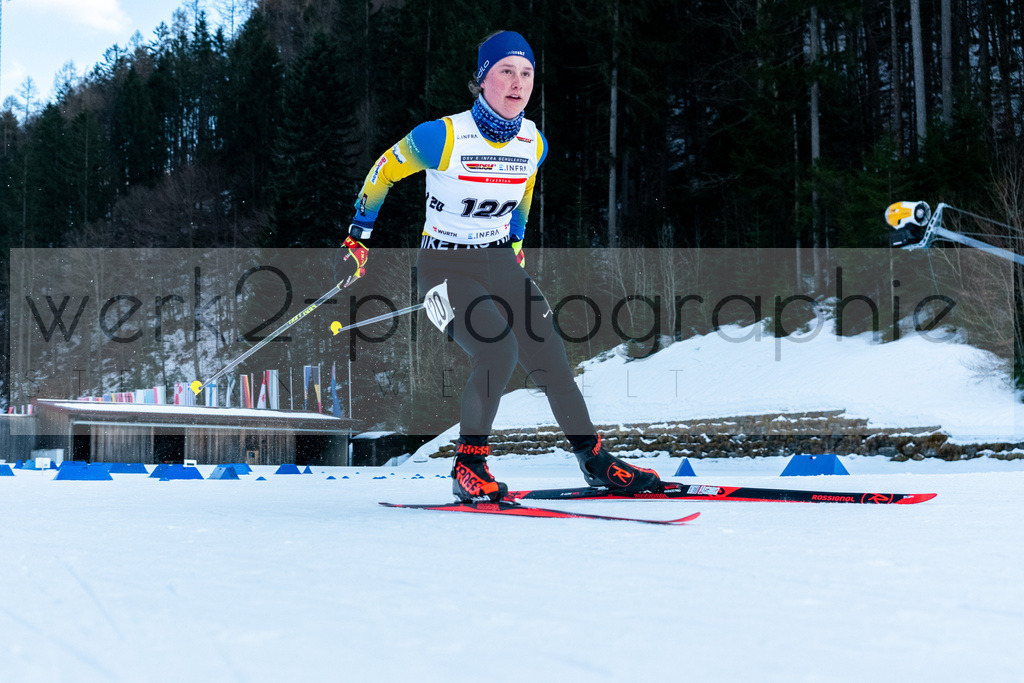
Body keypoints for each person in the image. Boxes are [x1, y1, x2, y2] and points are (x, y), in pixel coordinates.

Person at [335, 30, 663, 501]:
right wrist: (357, 237)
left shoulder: (534, 143)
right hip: (443, 269)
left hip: (500, 263)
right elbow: (383, 171)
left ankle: (594, 458)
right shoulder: (442, 137)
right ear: (482, 80)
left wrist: (516, 239)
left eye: (526, 73)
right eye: (505, 71)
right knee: (498, 350)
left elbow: (525, 190)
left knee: (551, 360)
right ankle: (468, 464)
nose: (517, 83)